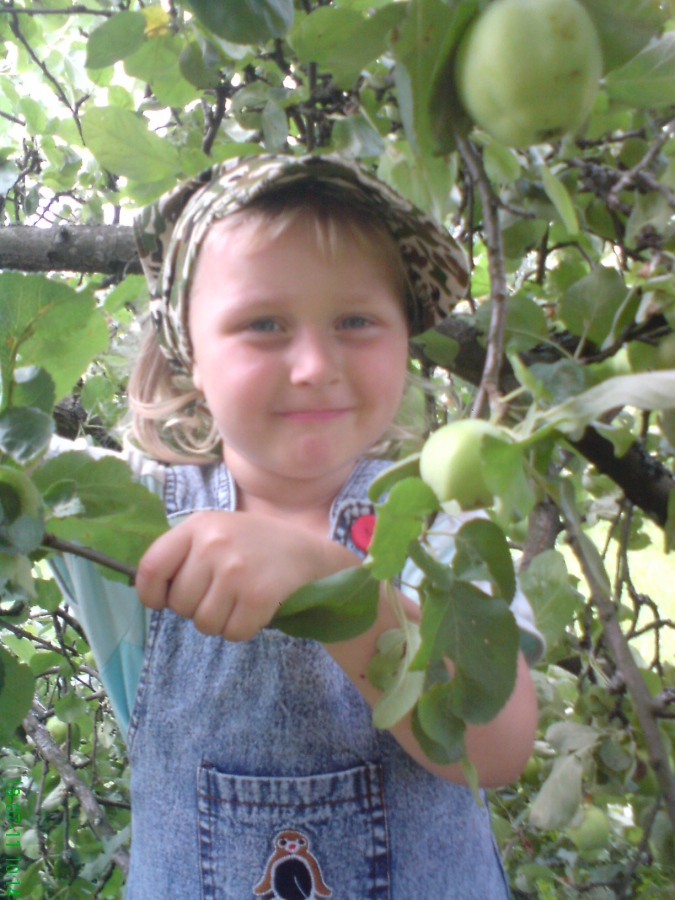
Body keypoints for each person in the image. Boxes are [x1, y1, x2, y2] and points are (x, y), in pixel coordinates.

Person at [49, 153, 544, 899]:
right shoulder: (129, 519)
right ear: (189, 357)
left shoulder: (436, 520)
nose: (314, 364)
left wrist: (332, 588)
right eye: (263, 323)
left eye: (355, 320)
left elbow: (498, 746)